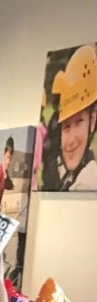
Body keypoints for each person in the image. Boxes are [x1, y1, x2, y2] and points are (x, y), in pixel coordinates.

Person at [47, 43, 97, 191]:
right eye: (66, 127)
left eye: (79, 122)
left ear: (92, 120)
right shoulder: (69, 177)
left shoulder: (88, 181)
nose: (71, 140)